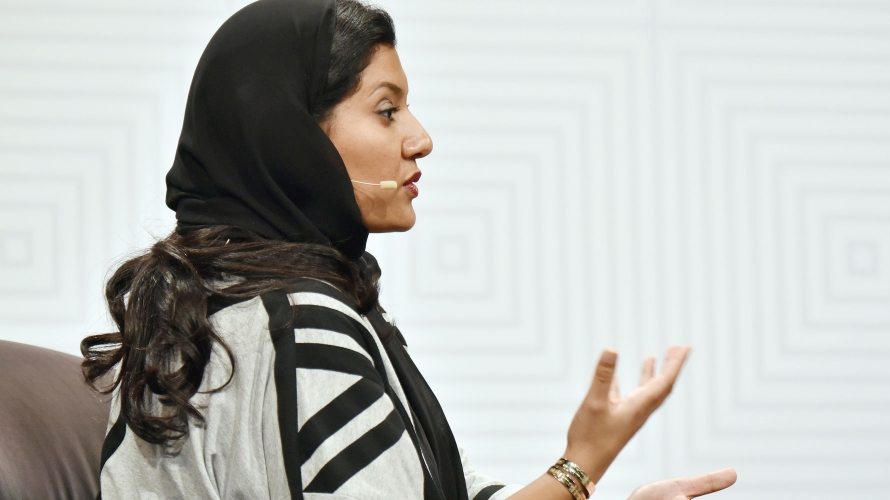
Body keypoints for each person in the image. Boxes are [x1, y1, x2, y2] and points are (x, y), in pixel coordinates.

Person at [81, 1, 737, 499]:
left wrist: (581, 463)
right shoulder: (299, 322)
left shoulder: (216, 302)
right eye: (387, 110)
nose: (419, 139)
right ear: (290, 135)